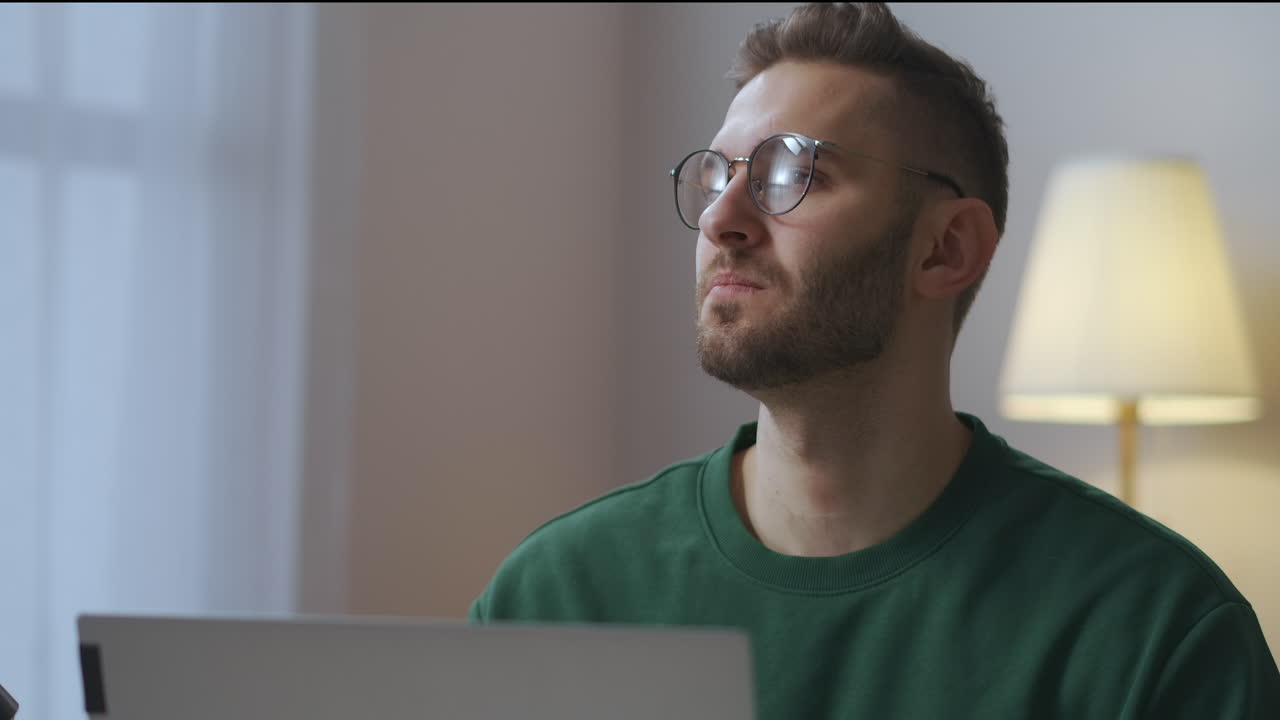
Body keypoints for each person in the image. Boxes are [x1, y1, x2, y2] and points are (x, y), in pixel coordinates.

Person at [468, 3, 1280, 717]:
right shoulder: (558, 595)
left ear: (946, 248)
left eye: (794, 173)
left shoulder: (1153, 630)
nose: (722, 218)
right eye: (716, 176)